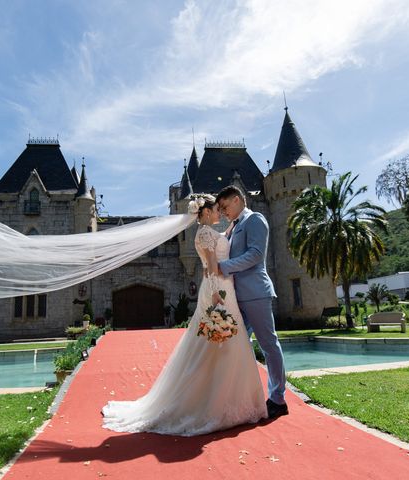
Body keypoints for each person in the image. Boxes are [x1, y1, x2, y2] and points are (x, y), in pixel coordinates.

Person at [101, 194, 267, 436]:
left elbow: (209, 261)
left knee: (218, 346)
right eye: (216, 210)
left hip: (219, 288)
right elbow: (210, 267)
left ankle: (225, 398)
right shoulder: (206, 234)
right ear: (206, 212)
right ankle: (219, 402)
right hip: (220, 290)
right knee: (220, 345)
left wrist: (235, 222)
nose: (221, 212)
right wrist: (215, 296)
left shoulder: (207, 233)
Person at [216, 185, 288, 418]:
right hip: (237, 298)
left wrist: (223, 267)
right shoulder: (232, 228)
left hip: (256, 293)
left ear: (237, 200)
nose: (224, 212)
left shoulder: (255, 220)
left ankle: (278, 399)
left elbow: (256, 254)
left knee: (268, 345)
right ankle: (243, 396)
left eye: (225, 206)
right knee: (236, 346)